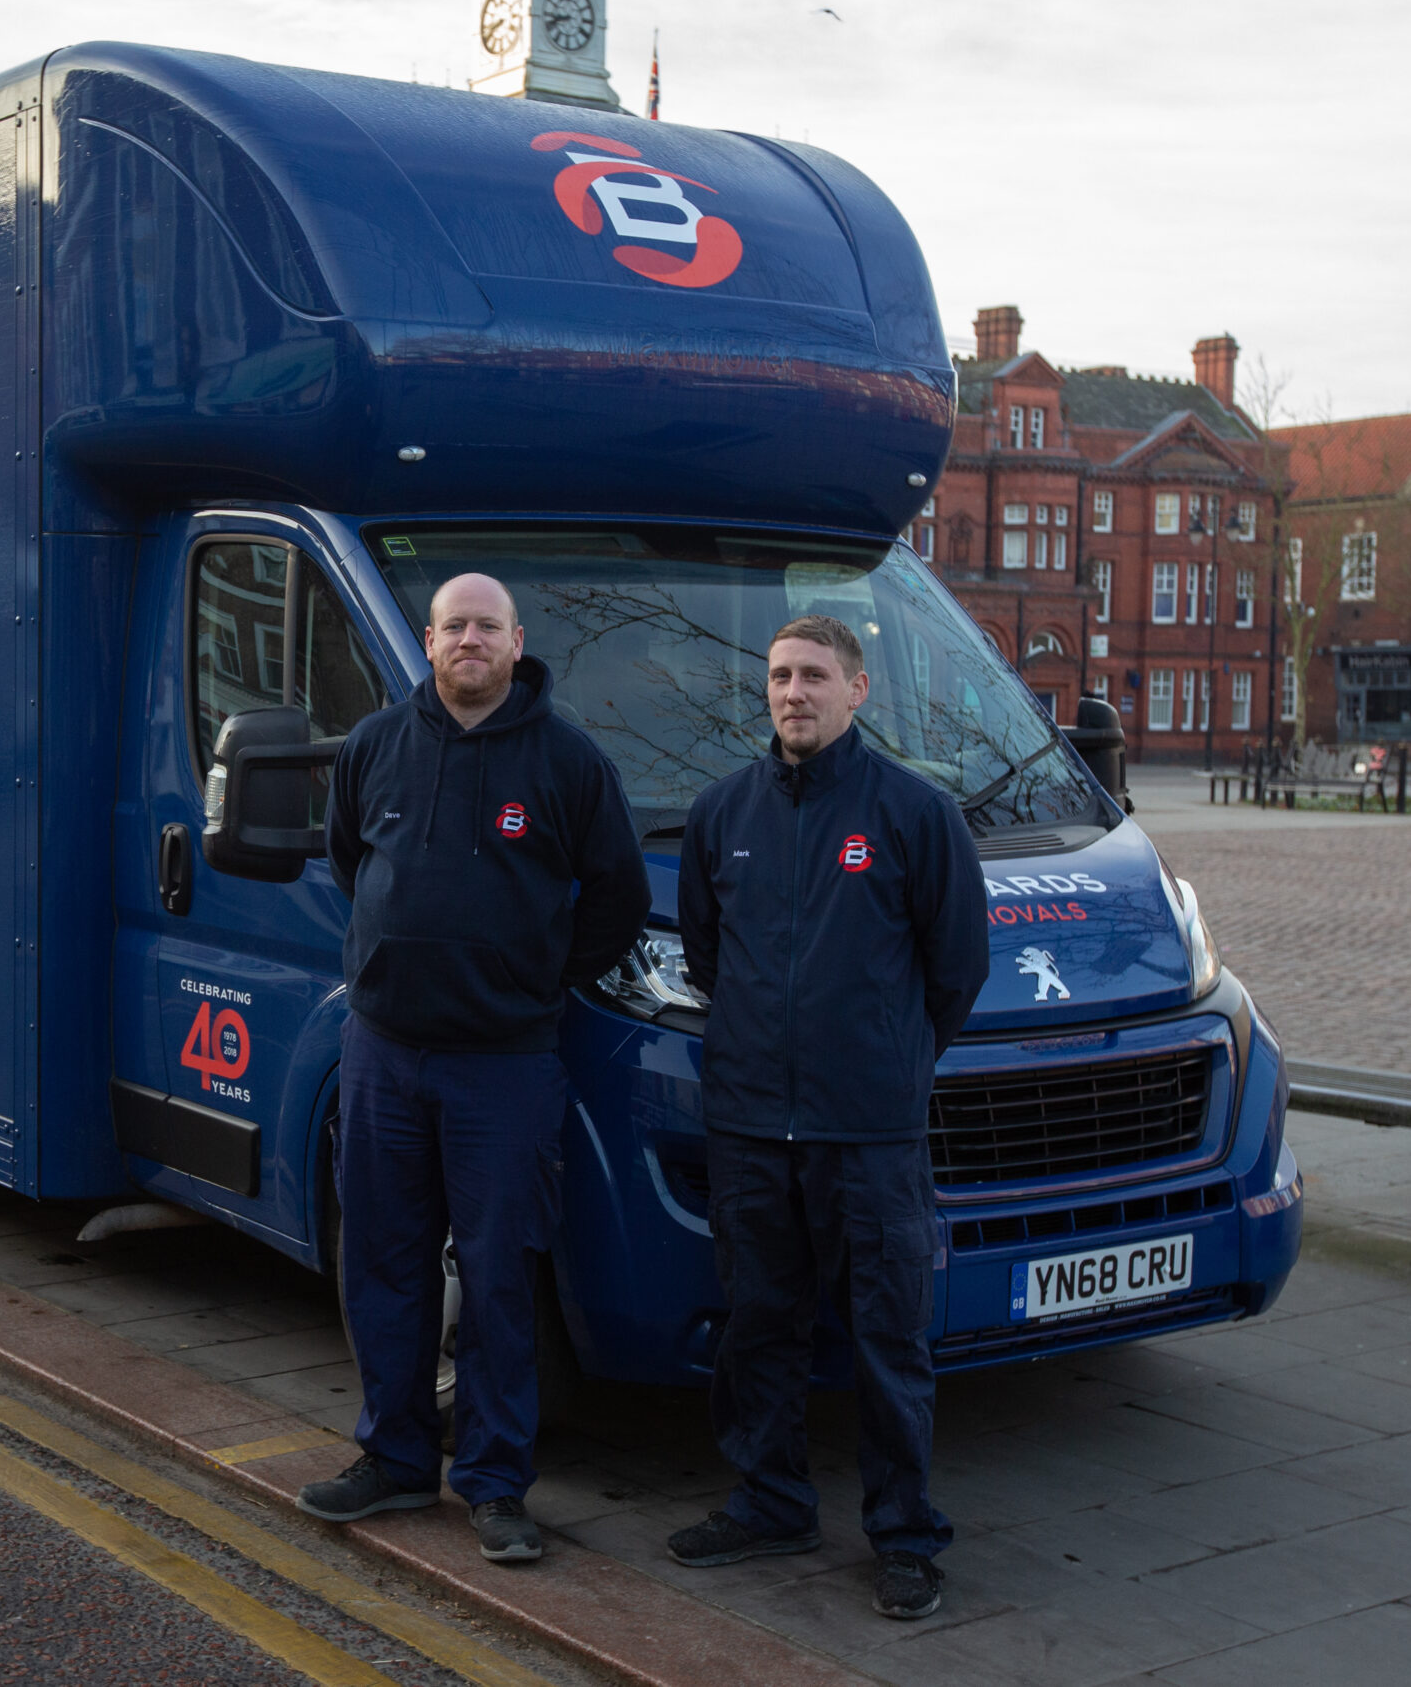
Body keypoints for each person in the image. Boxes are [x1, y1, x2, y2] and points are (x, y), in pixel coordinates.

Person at [299, 572, 650, 1565]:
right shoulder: (374, 745)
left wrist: (534, 975)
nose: (468, 641)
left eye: (484, 627)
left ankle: (495, 1484)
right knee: (382, 1265)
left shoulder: (567, 761)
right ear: (427, 639)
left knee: (498, 1281)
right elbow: (347, 861)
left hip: (503, 1064)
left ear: (514, 641)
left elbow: (616, 898)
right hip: (383, 1055)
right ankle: (395, 1457)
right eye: (452, 626)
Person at [666, 613, 988, 1621]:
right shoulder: (722, 816)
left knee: (890, 1341)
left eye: (813, 676)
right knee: (759, 1325)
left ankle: (903, 1537)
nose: (791, 692)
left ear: (857, 691)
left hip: (870, 1137)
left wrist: (886, 1063)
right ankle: (769, 1501)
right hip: (754, 1128)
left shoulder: (912, 814)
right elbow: (708, 959)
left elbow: (956, 969)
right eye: (777, 677)